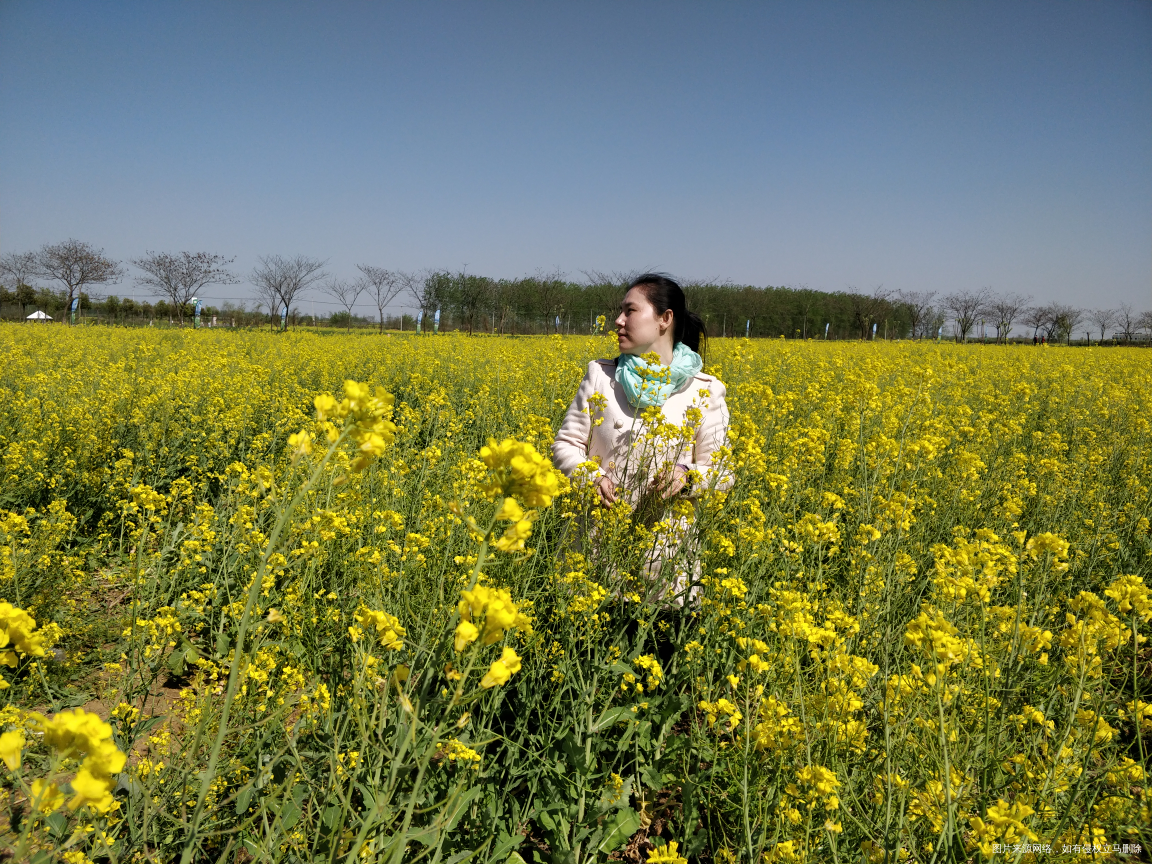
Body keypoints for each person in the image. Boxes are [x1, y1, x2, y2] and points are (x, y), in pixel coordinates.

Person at [552, 274, 731, 604]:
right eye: (620, 311)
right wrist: (590, 477)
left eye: (630, 311)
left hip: (666, 569)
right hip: (595, 563)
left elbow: (722, 471)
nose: (618, 321)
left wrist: (686, 476)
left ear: (665, 319)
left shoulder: (705, 391)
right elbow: (565, 445)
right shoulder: (600, 377)